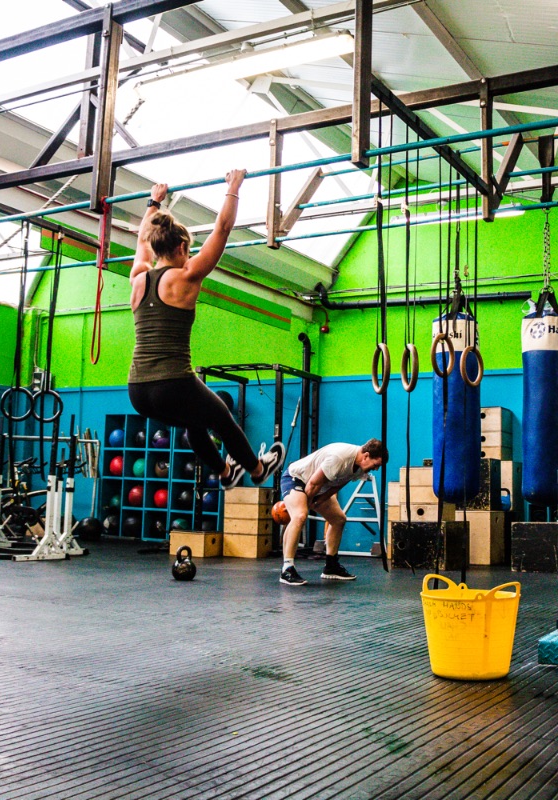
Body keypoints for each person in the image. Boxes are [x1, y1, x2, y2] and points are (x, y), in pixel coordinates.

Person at [127, 173, 284, 490]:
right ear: (182, 246)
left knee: (195, 422)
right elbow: (222, 229)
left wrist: (153, 202)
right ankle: (257, 469)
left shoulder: (138, 276)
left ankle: (226, 473)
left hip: (137, 392)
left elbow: (142, 240)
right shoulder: (187, 275)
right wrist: (233, 188)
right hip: (172, 382)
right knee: (221, 416)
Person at [276, 439, 388, 586]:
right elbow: (312, 484)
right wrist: (306, 505)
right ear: (366, 456)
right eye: (376, 465)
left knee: (339, 519)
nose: (376, 469)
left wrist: (321, 500)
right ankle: (287, 569)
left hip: (318, 486)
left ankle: (331, 566)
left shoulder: (361, 466)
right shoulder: (340, 457)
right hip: (296, 479)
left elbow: (339, 484)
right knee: (300, 516)